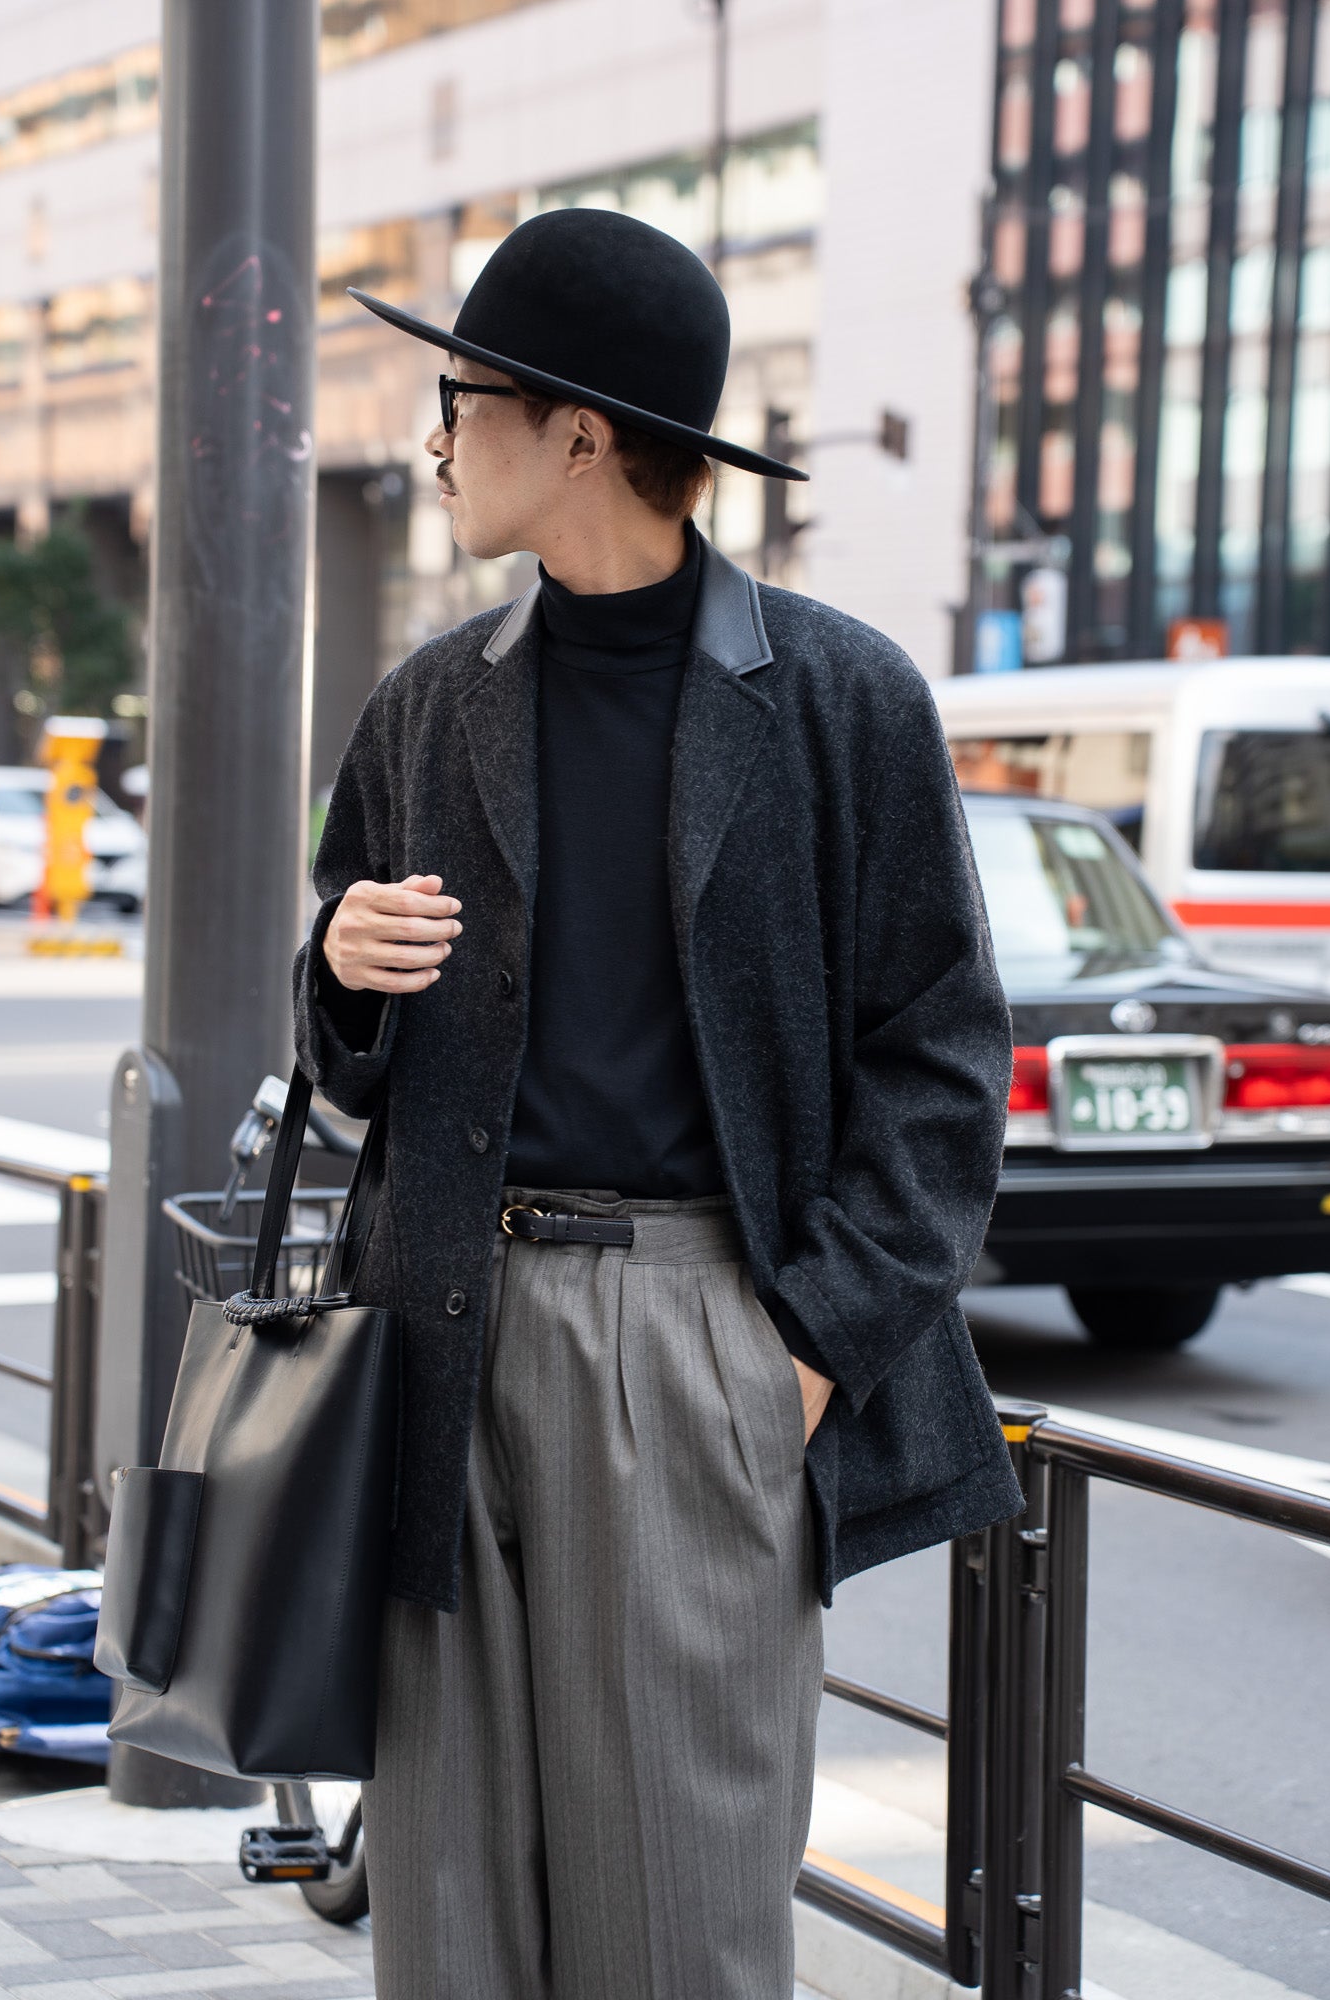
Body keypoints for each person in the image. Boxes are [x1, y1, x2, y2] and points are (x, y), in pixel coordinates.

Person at [295, 206, 1021, 2000]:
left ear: (581, 434)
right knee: (448, 1904)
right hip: (437, 1324)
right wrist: (339, 972)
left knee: (675, 1910)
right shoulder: (427, 703)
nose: (436, 438)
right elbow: (332, 1056)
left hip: (699, 1339)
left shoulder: (841, 699)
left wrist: (807, 1346)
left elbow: (941, 1057)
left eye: (459, 398)